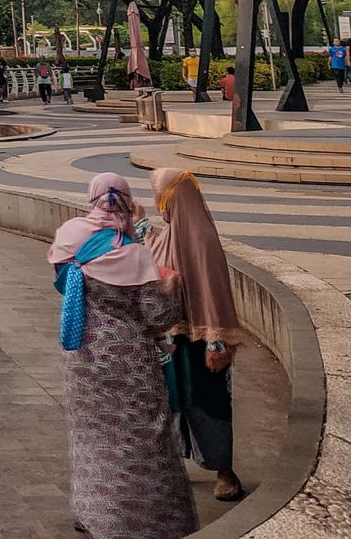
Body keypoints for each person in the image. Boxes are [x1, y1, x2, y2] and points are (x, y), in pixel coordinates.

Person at [49, 173, 199, 539]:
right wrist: (170, 287)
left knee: (92, 436)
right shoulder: (131, 253)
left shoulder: (69, 236)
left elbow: (67, 282)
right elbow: (157, 315)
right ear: (128, 203)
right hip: (129, 360)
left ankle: (92, 511)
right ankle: (140, 522)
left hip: (84, 354)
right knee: (140, 439)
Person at [148, 169, 245, 502]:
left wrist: (217, 340)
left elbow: (214, 291)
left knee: (210, 404)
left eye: (161, 197)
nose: (158, 204)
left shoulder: (201, 239)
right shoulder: (168, 234)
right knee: (175, 404)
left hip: (202, 342)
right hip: (172, 341)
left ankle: (225, 471)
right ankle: (176, 466)